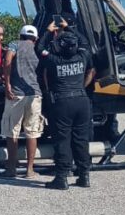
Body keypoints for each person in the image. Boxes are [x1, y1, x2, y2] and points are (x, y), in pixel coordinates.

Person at [40, 28, 96, 190]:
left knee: (62, 139)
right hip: (81, 100)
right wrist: (70, 28)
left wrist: (48, 31)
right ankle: (84, 174)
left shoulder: (53, 60)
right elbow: (85, 42)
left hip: (62, 101)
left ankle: (62, 176)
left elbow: (39, 48)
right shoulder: (82, 56)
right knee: (81, 139)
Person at [1, 24, 43, 178]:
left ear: (21, 35)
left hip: (16, 94)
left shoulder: (14, 44)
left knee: (12, 131)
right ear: (35, 38)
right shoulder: (38, 48)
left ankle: (11, 168)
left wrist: (7, 84)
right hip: (35, 94)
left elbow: (7, 61)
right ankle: (30, 169)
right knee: (32, 132)